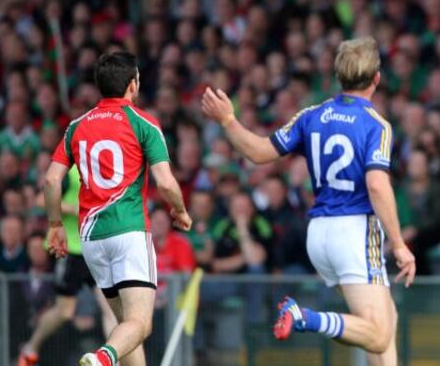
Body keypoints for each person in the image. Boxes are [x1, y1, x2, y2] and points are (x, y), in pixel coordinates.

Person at [201, 37, 415, 366]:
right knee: (379, 332)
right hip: (355, 231)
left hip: (319, 234)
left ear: (338, 76)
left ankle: (306, 316)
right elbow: (376, 183)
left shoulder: (311, 115)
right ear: (377, 78)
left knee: (385, 319)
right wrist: (398, 243)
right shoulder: (377, 125)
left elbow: (258, 152)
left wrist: (228, 120)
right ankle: (304, 317)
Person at [43, 51, 192, 366]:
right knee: (140, 324)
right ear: (133, 84)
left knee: (127, 327)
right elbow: (165, 183)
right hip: (129, 231)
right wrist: (180, 210)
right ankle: (102, 358)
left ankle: (108, 354)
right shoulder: (143, 123)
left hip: (91, 240)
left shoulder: (76, 126)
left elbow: (51, 180)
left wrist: (55, 225)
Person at [19, 167, 118, 366]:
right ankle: (31, 348)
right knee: (65, 311)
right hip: (71, 250)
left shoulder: (107, 166)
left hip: (96, 249)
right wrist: (75, 209)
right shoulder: (70, 170)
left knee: (110, 309)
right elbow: (41, 200)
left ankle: (113, 359)